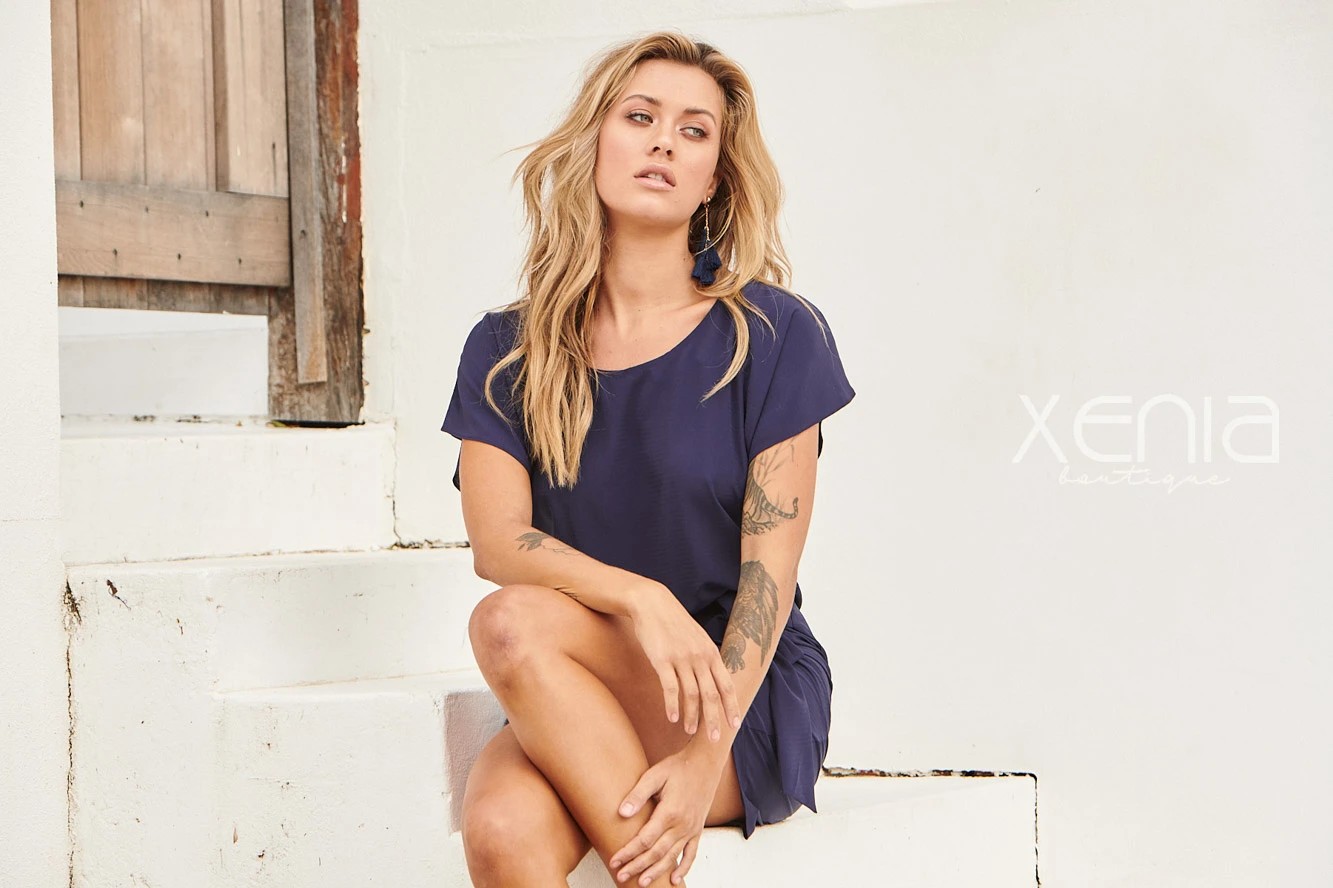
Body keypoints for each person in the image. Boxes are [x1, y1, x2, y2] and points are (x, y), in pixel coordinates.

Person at [440, 30, 855, 888]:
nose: (664, 141)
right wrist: (640, 598)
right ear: (594, 139)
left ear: (715, 178)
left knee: (510, 624)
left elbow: (767, 579)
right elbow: (498, 543)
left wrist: (706, 756)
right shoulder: (506, 349)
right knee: (501, 830)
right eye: (639, 117)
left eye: (693, 131)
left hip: (738, 691)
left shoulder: (774, 335)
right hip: (589, 669)